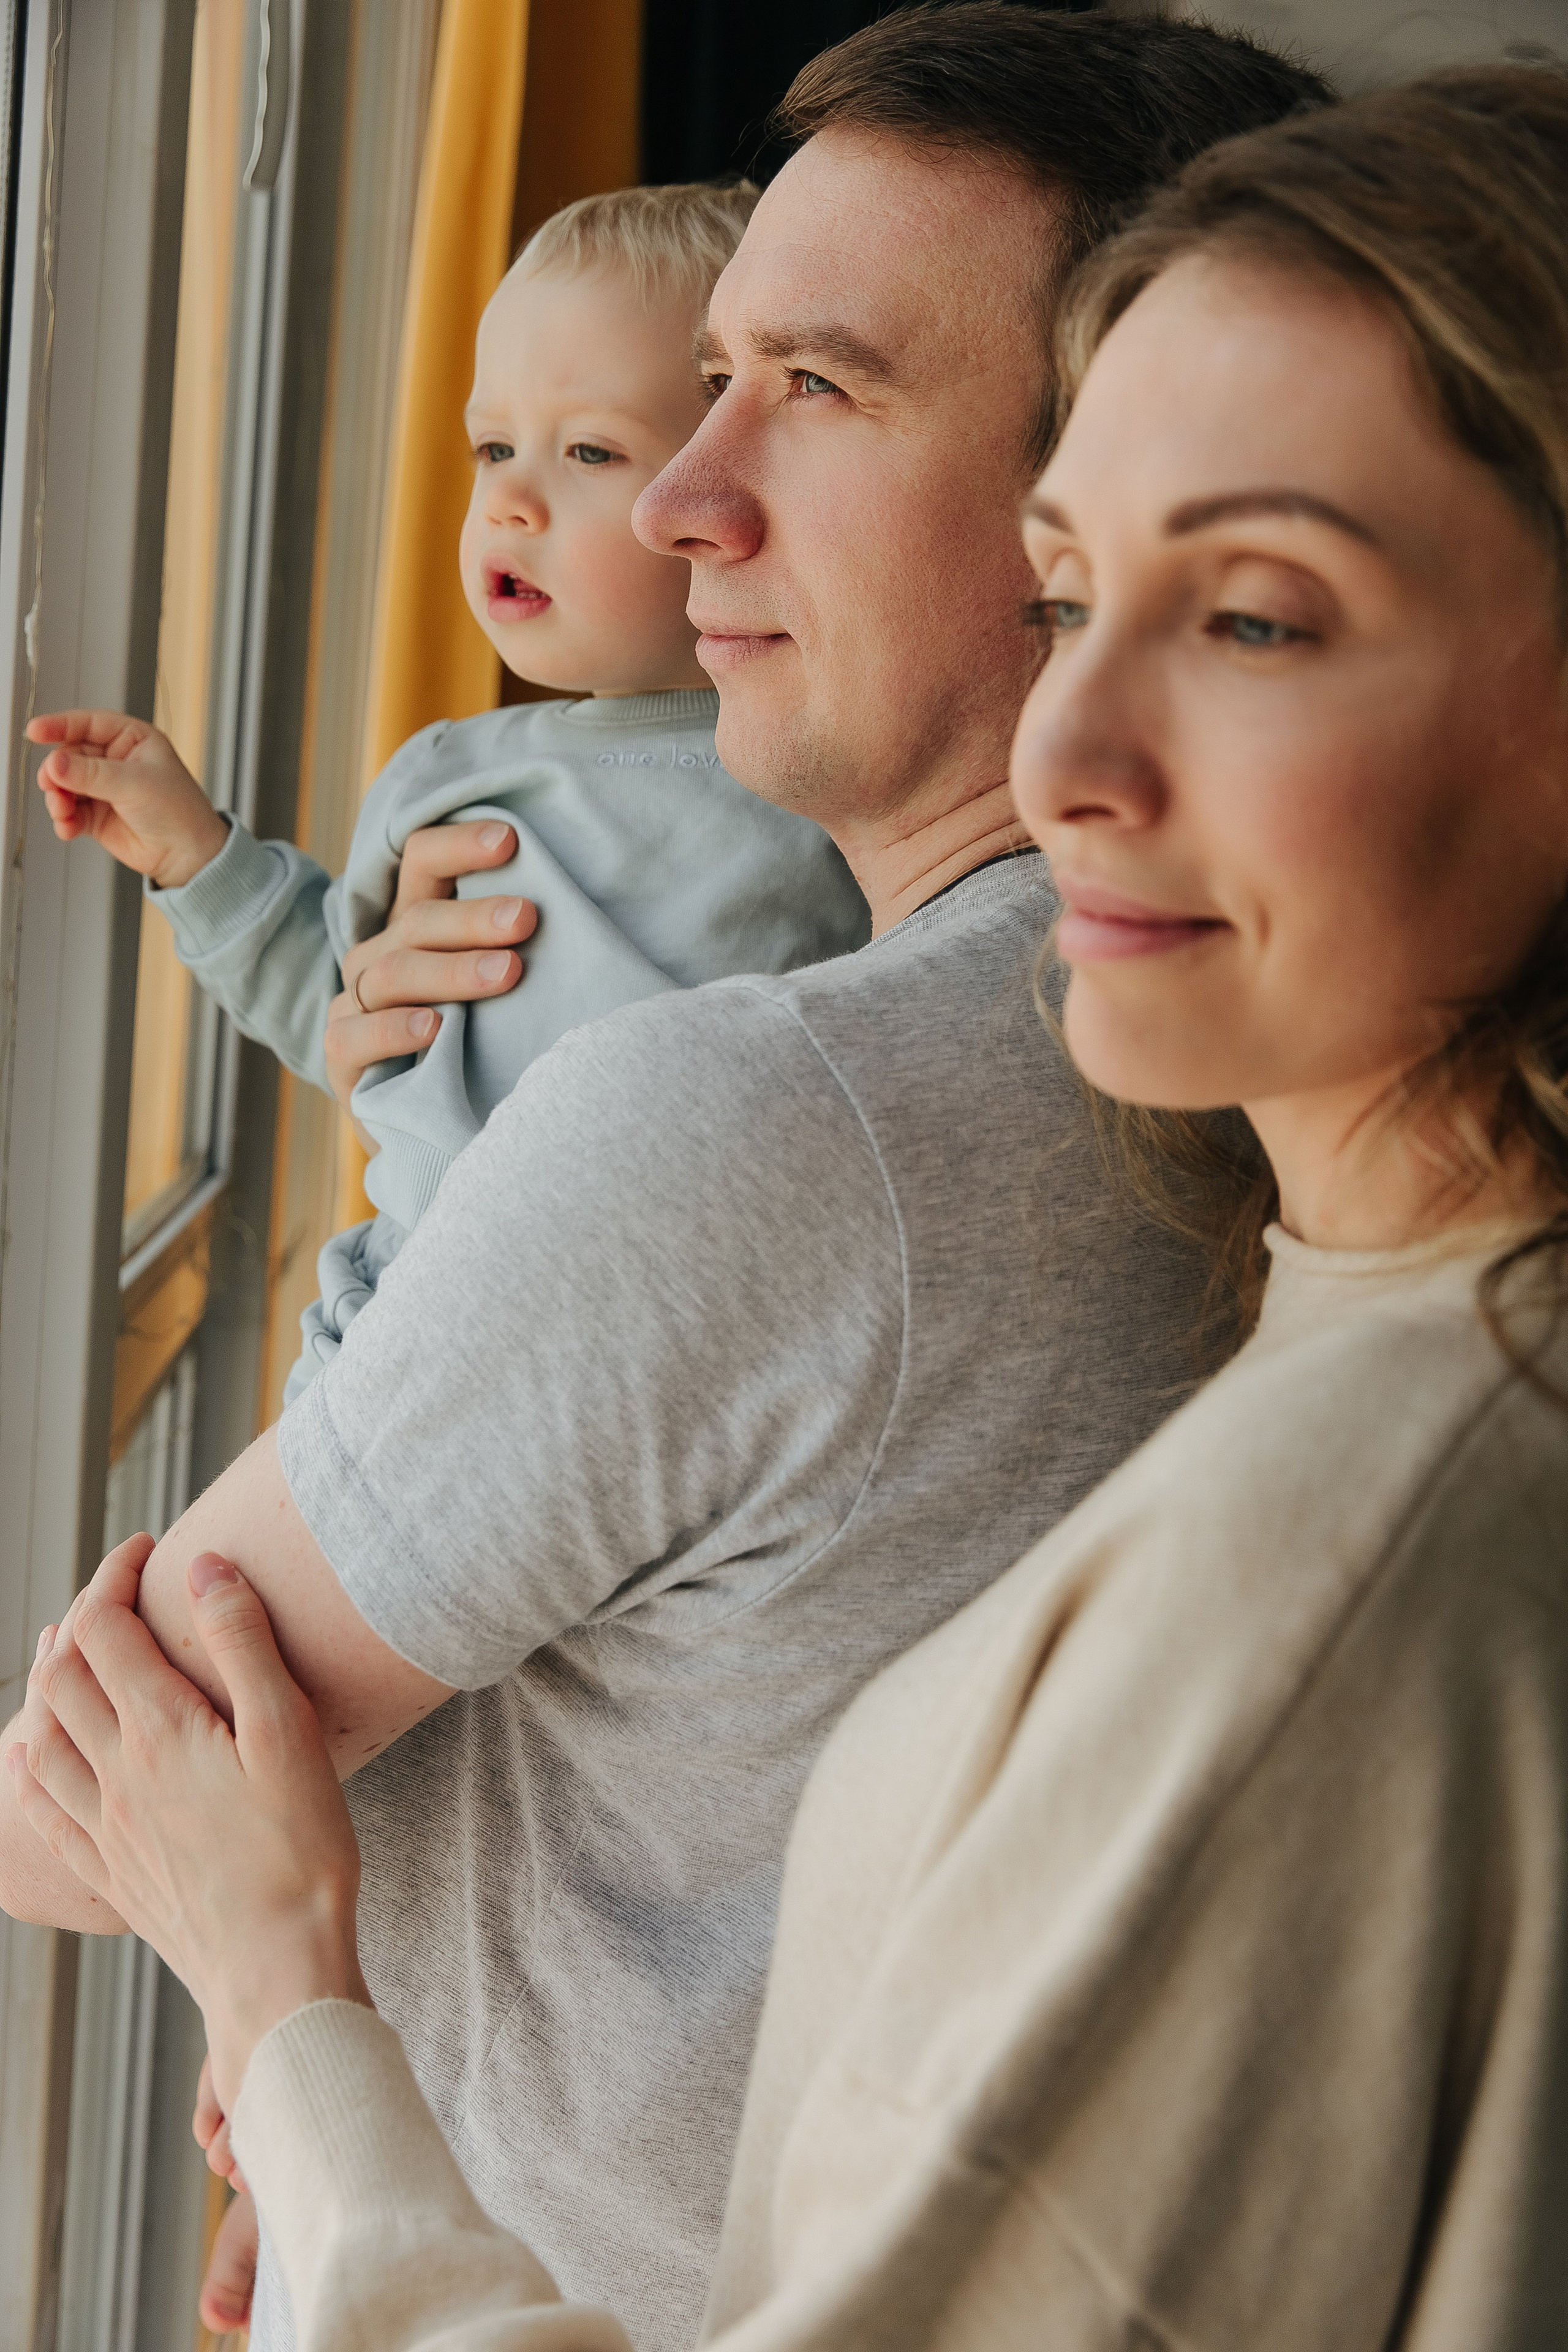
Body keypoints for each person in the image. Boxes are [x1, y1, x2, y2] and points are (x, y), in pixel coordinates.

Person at [15, 55, 1568, 2352]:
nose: (680, 500)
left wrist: (301, 2036)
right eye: (1085, 581)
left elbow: (70, 1802)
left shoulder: (1301, 1516)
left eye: (1253, 610)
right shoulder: (1333, 1252)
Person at [28, 184, 868, 1406]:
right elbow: (350, 1009)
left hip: (679, 1359)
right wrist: (194, 856)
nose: (510, 502)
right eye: (492, 448)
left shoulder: (826, 782)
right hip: (402, 1320)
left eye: (586, 450)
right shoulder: (449, 777)